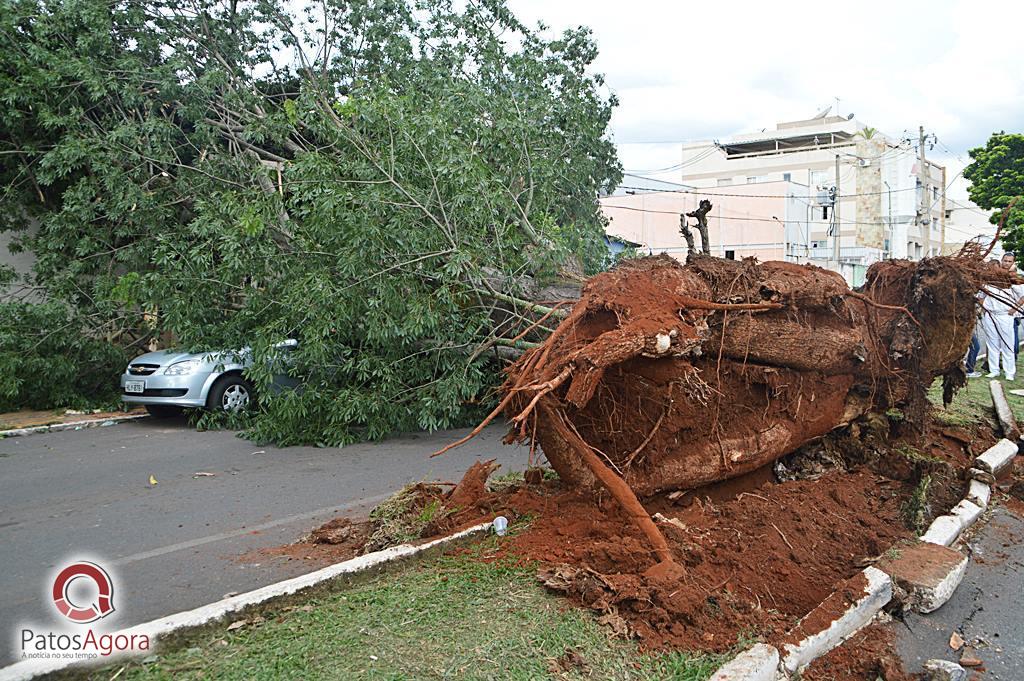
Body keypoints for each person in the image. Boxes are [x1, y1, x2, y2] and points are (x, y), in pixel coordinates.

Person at [979, 263, 1024, 380]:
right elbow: (980, 297)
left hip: (1005, 316)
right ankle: (994, 370)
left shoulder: (1012, 286)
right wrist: (986, 307)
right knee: (992, 343)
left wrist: (1014, 309)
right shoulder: (988, 286)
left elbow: (1023, 296)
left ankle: (1009, 372)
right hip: (990, 315)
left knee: (1007, 344)